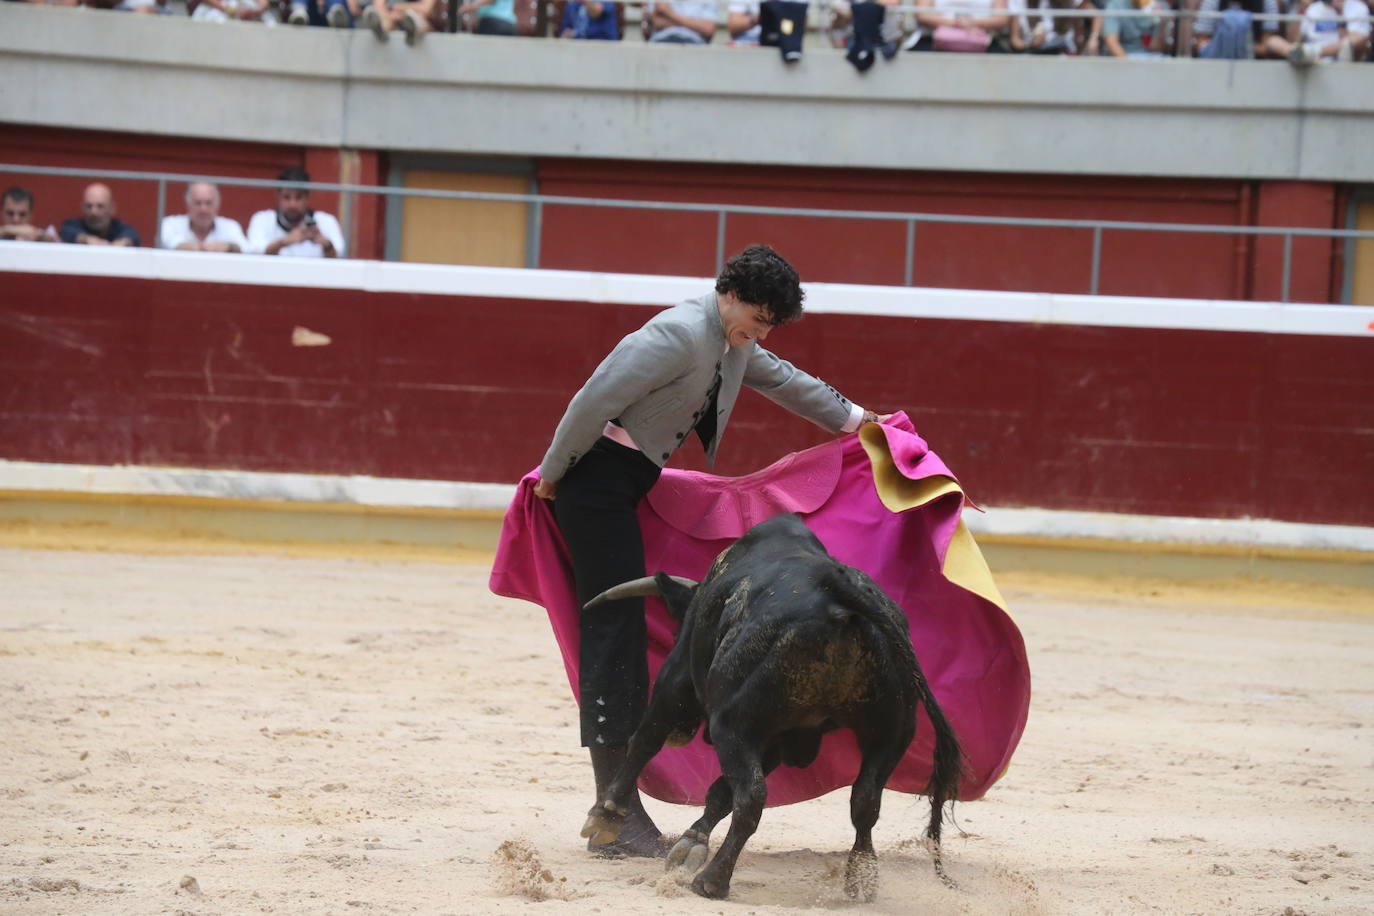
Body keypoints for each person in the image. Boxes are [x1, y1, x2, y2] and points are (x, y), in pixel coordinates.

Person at [532, 245, 885, 858]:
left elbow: (785, 379)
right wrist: (553, 473)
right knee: (614, 635)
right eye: (759, 318)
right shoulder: (676, 333)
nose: (761, 333)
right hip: (594, 487)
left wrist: (858, 422)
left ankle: (618, 806)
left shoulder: (731, 339)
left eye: (770, 325)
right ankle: (616, 816)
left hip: (626, 484)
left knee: (629, 629)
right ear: (732, 294)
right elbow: (592, 401)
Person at [246, 167, 346, 258]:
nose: (292, 204)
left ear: (307, 198)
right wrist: (283, 242)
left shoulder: (326, 221)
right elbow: (255, 252)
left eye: (298, 197)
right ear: (278, 196)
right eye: (287, 197)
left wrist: (327, 245)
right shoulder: (262, 219)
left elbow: (340, 255)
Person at [158, 182, 248, 253]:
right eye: (198, 203)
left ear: (217, 205)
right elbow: (167, 242)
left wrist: (229, 247)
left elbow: (245, 248)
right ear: (188, 204)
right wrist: (201, 248)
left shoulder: (230, 226)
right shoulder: (170, 224)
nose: (203, 209)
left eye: (208, 203)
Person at [59, 183, 141, 247]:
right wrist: (86, 240)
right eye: (89, 206)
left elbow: (132, 236)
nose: (94, 212)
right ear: (82, 208)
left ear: (112, 208)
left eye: (100, 206)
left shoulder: (119, 227)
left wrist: (122, 243)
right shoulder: (73, 225)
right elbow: (67, 232)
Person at [361, 0, 446, 43]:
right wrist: (394, 15)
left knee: (419, 19)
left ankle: (412, 32)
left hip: (424, 25)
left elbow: (426, 9)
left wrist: (397, 7)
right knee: (384, 20)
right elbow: (379, 7)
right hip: (394, 22)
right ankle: (381, 32)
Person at [645, 0, 717, 42]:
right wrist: (694, 24)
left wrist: (669, 13)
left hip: (694, 44)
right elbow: (657, 22)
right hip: (661, 41)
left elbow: (708, 29)